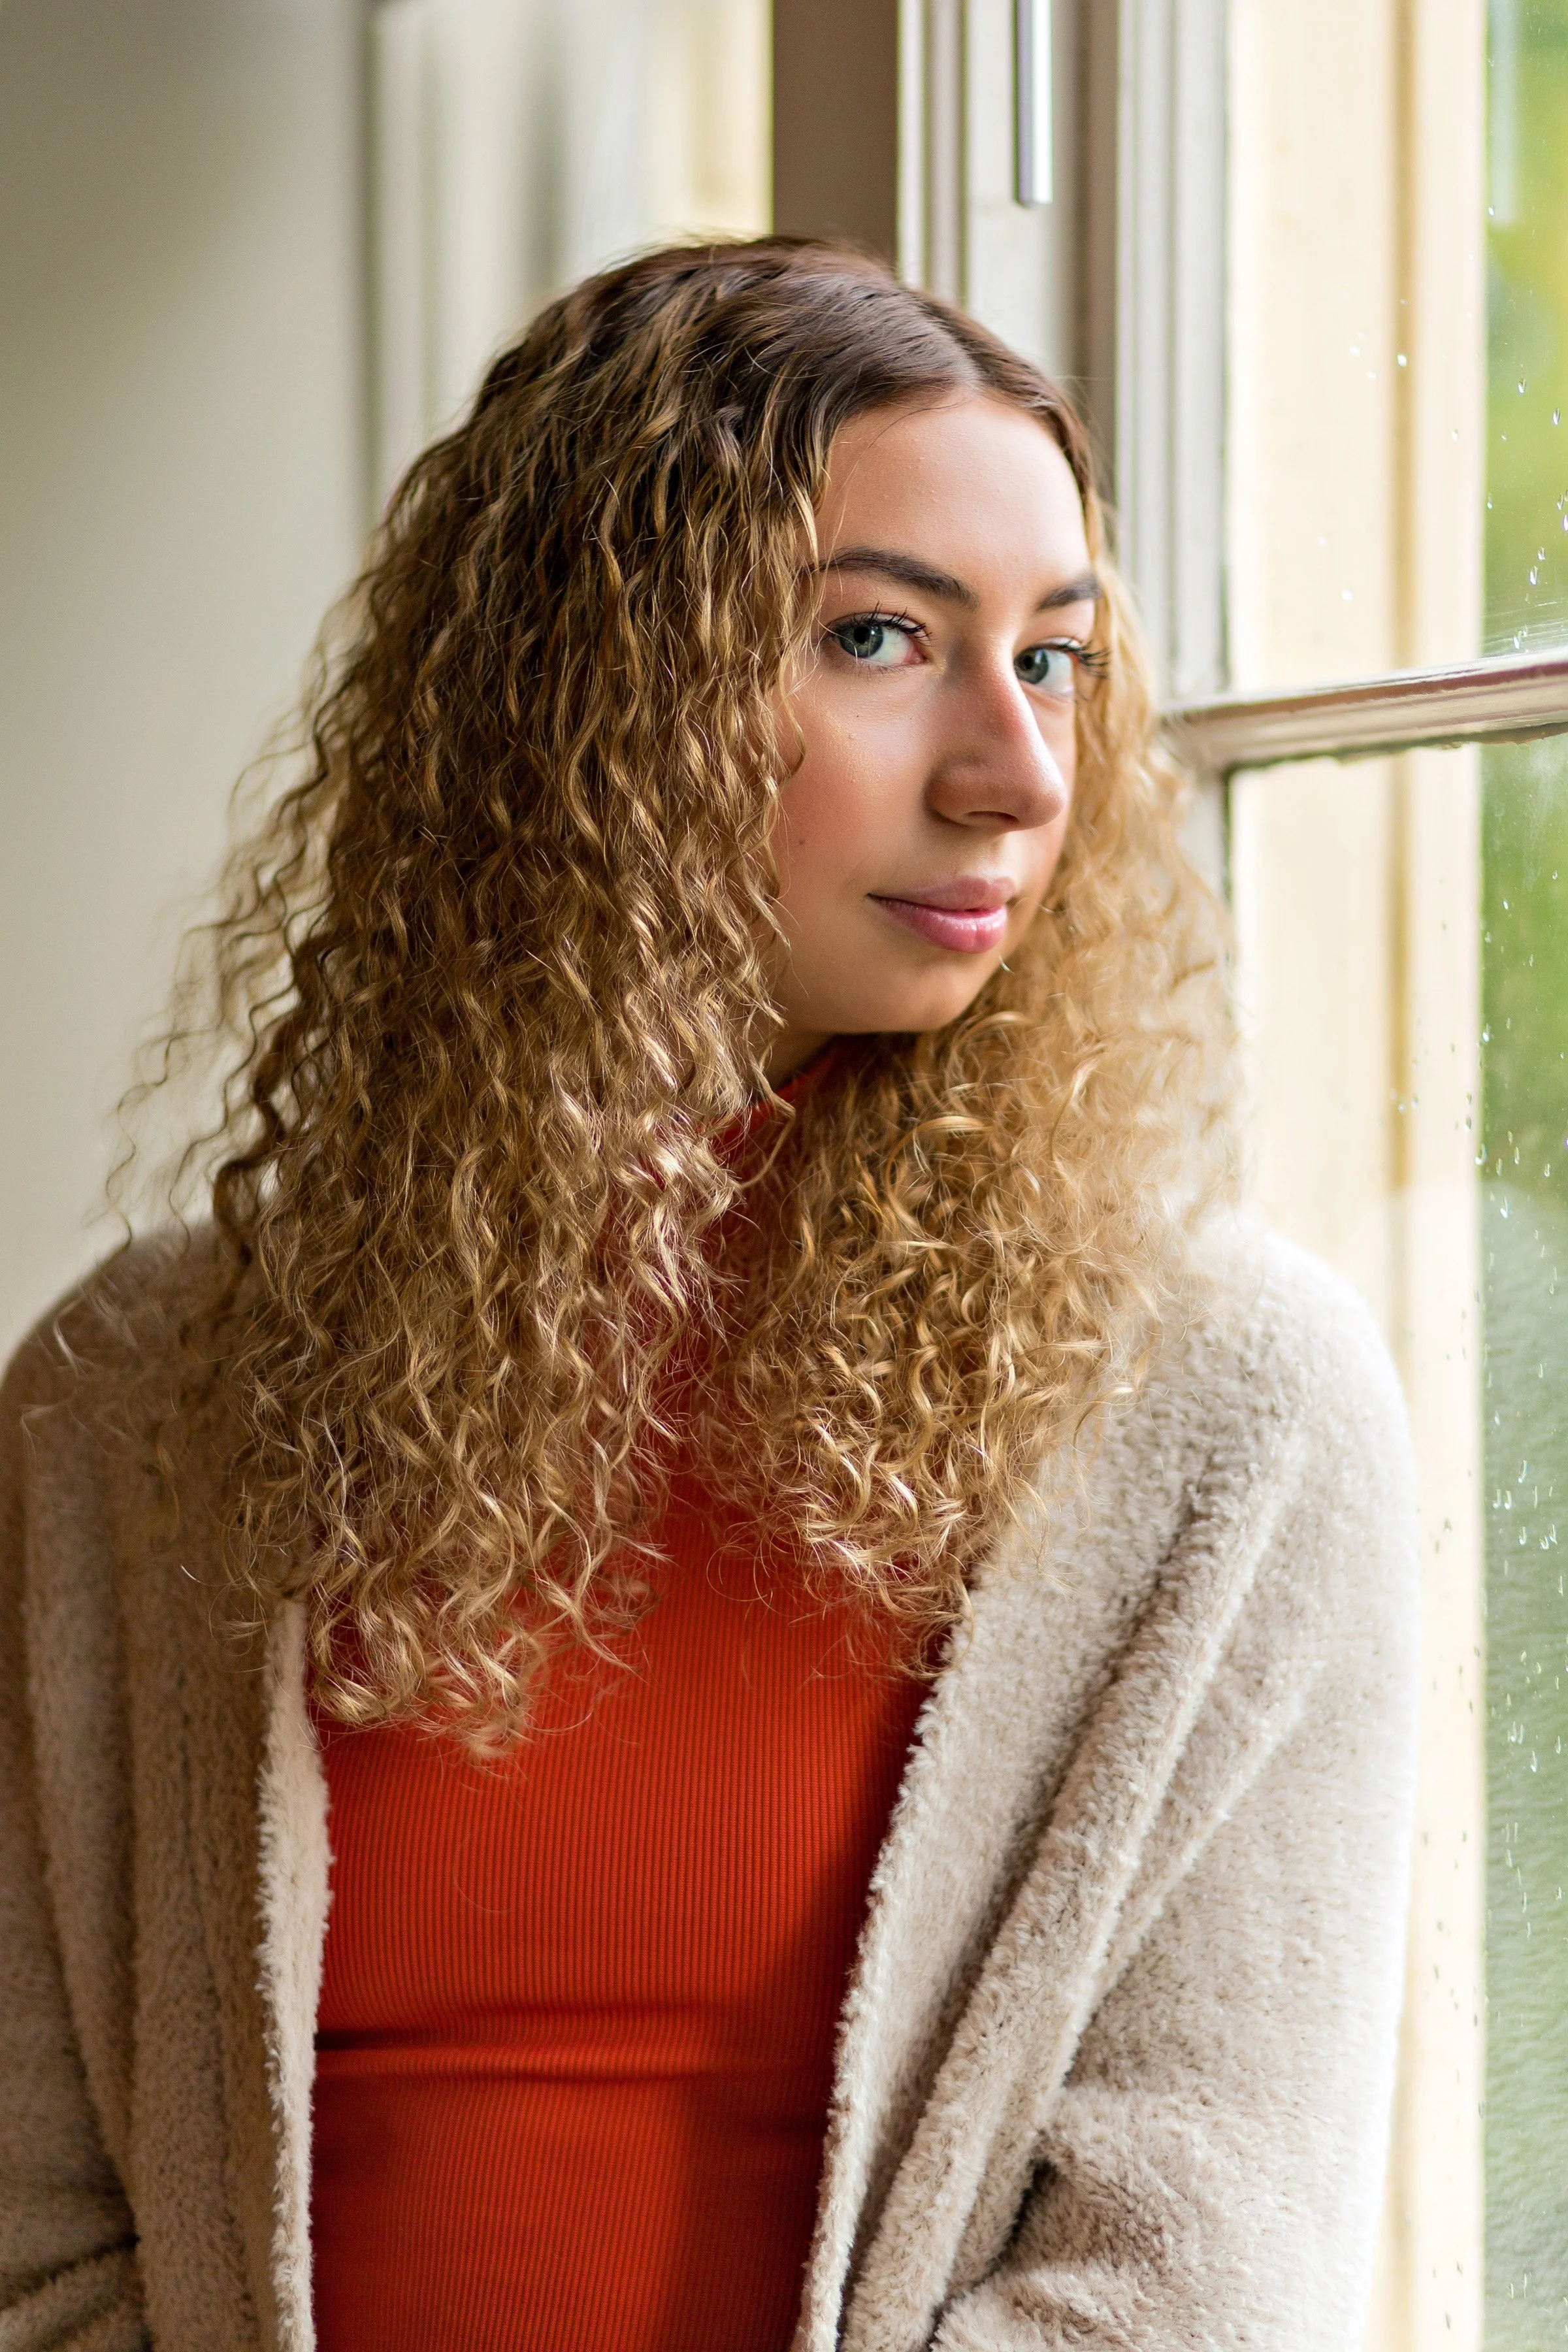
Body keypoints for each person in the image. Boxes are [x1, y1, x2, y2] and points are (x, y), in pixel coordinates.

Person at [0, 240, 1417, 2352]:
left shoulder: (1229, 1415)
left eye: (1055, 658)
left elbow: (1190, 2287)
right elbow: (41, 2248)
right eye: (879, 637)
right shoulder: (135, 1401)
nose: (1017, 775)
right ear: (586, 698)